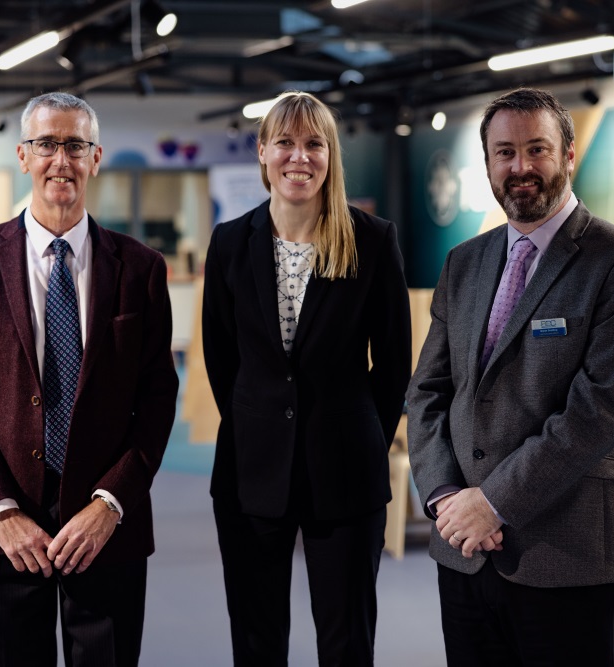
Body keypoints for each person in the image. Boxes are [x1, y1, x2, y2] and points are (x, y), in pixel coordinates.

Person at [406, 87, 614, 666]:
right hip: (466, 548)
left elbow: (597, 410)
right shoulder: (464, 263)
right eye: (504, 153)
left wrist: (493, 503)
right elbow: (428, 391)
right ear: (489, 164)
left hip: (566, 554)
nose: (520, 167)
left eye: (536, 150)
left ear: (569, 156)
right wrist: (448, 497)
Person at [0, 91, 178, 667]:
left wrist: (110, 503)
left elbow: (157, 398)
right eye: (46, 144)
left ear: (96, 158)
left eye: (75, 145)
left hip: (103, 530)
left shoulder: (139, 267)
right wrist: (0, 510)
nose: (60, 160)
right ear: (23, 155)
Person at [202, 91, 411, 666]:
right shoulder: (229, 244)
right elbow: (223, 359)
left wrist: (363, 434)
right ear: (263, 152)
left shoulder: (371, 241)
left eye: (314, 144)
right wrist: (261, 424)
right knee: (256, 640)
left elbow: (393, 365)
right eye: (286, 143)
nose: (300, 157)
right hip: (251, 472)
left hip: (345, 473)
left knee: (346, 644)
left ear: (330, 155)